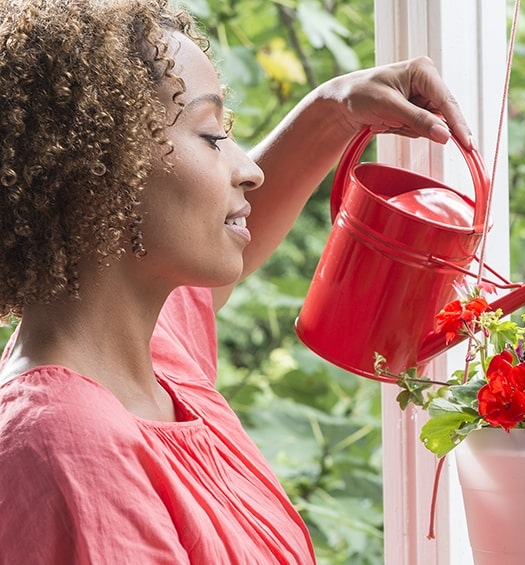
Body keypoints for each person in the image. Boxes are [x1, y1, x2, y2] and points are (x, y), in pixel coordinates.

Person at [0, 0, 473, 563]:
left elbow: (225, 248)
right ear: (100, 170)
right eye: (210, 136)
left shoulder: (151, 353)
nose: (249, 169)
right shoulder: (67, 449)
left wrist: (337, 110)